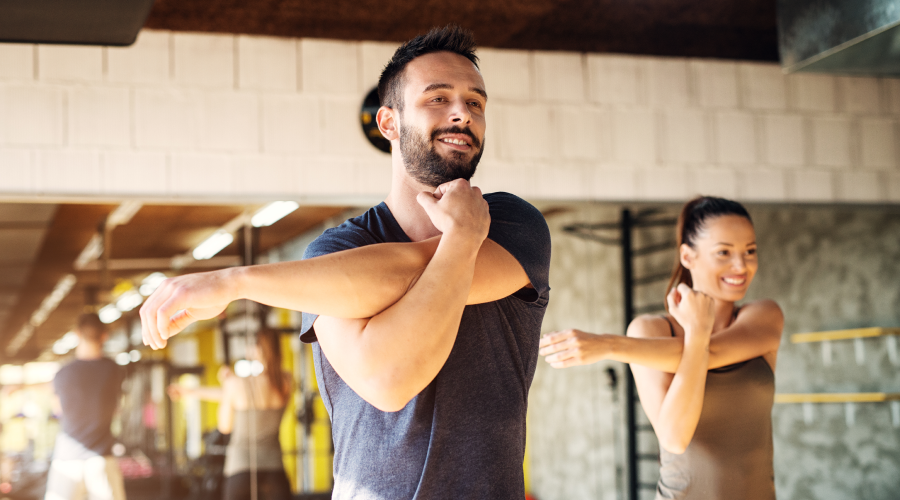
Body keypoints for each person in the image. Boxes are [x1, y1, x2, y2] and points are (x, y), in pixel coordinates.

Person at [140, 25, 551, 498]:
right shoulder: (335, 253)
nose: (462, 113)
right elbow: (387, 379)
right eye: (438, 98)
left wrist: (238, 282)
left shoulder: (511, 224)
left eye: (475, 103)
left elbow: (400, 274)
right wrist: (461, 240)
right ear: (388, 124)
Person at [539, 196, 783, 499]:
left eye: (750, 251)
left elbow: (713, 353)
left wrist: (609, 345)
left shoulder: (764, 316)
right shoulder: (650, 330)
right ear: (688, 256)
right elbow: (675, 438)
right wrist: (696, 333)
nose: (741, 265)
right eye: (724, 252)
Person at [169, 329, 293, 500]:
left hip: (240, 470)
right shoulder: (286, 381)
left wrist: (229, 384)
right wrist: (191, 391)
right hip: (274, 471)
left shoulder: (236, 384)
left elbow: (224, 427)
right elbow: (230, 394)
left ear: (258, 349)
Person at [45, 313, 127, 500]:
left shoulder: (62, 374)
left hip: (66, 458)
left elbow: (58, 409)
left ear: (76, 334)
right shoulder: (114, 370)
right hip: (101, 459)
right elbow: (115, 408)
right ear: (104, 336)